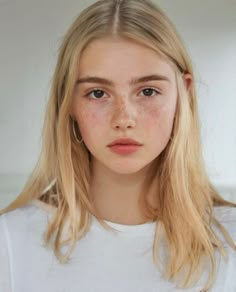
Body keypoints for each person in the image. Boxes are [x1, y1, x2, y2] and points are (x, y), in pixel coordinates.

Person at [0, 0, 235, 291]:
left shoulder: (230, 244)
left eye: (148, 91)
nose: (124, 119)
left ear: (183, 94)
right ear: (68, 102)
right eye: (98, 93)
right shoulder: (10, 243)